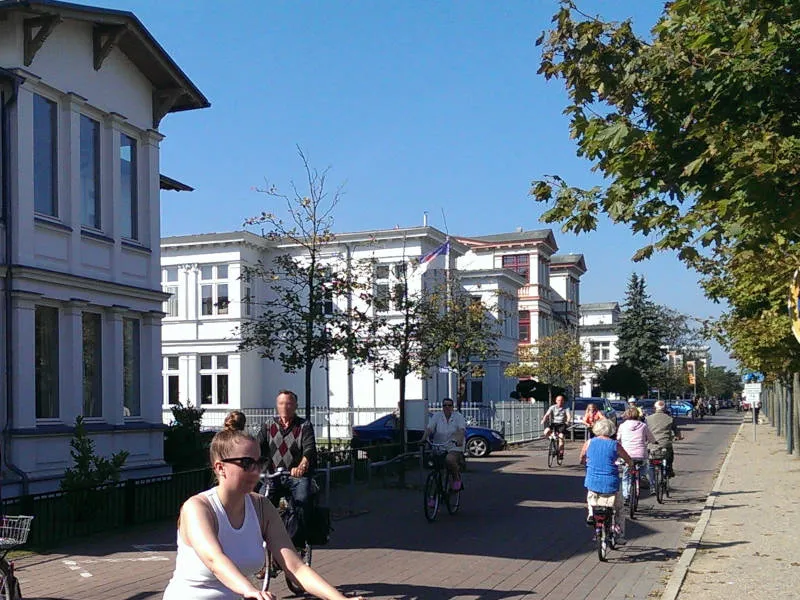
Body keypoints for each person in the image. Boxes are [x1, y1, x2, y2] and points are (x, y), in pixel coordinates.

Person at [163, 412, 363, 600]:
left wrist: (339, 598)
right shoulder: (198, 508)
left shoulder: (261, 507)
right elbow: (215, 560)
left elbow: (295, 567)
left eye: (260, 463)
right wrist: (250, 591)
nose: (256, 471)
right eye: (246, 463)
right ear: (220, 467)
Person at [256, 390, 318, 542]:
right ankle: (262, 539)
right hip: (273, 476)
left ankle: (298, 539)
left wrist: (302, 466)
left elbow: (309, 448)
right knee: (260, 503)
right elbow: (257, 447)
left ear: (296, 406)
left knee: (302, 501)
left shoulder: (304, 426)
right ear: (277, 406)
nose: (285, 407)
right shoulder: (268, 425)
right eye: (281, 403)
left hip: (296, 476)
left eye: (289, 403)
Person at [579, 419, 633, 543]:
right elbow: (627, 458)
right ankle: (619, 535)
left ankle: (591, 513)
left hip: (593, 481)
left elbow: (582, 458)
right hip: (610, 482)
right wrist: (630, 465)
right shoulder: (615, 445)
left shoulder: (589, 442)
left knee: (591, 497)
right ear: (611, 430)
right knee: (619, 508)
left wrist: (585, 462)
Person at [422, 397, 466, 490]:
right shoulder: (437, 416)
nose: (447, 407)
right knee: (437, 467)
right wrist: (423, 438)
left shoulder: (458, 416)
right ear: (442, 406)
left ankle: (456, 478)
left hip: (453, 445)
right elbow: (430, 428)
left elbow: (461, 430)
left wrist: (459, 440)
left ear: (452, 407)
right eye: (444, 405)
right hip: (439, 446)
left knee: (450, 460)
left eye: (449, 405)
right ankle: (434, 496)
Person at [617, 407, 656, 503]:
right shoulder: (643, 426)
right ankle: (640, 477)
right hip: (640, 454)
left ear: (626, 416)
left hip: (627, 455)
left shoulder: (622, 426)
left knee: (626, 475)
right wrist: (655, 442)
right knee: (645, 467)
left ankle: (626, 495)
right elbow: (651, 438)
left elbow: (618, 438)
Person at [645, 400, 682, 479]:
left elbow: (644, 431)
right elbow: (676, 431)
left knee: (651, 464)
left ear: (654, 408)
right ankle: (669, 469)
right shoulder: (670, 419)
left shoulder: (648, 419)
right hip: (666, 445)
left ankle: (653, 487)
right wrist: (677, 437)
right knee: (670, 454)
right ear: (665, 409)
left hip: (652, 446)